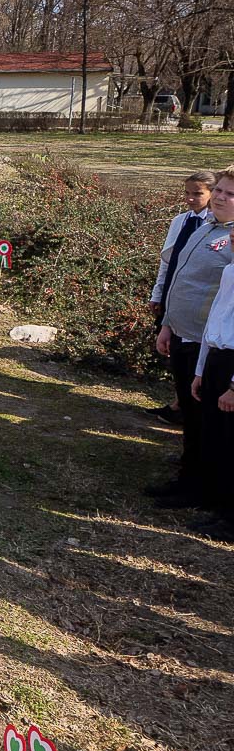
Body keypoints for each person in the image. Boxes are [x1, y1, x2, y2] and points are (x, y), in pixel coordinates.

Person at [153, 166, 234, 508]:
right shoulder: (205, 227)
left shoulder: (232, 238)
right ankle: (187, 478)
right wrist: (168, 323)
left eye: (230, 194)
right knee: (189, 412)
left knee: (206, 423)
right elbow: (181, 277)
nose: (220, 198)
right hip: (182, 335)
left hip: (209, 345)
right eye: (220, 191)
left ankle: (201, 488)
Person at [148, 171, 216, 424]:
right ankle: (180, 402)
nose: (190, 199)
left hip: (200, 302)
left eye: (197, 193)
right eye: (187, 193)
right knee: (172, 349)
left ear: (212, 194)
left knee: (194, 355)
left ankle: (185, 406)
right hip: (175, 291)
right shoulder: (180, 221)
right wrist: (158, 293)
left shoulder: (215, 226)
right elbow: (166, 261)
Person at [190, 260, 234, 540]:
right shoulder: (230, 270)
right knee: (216, 437)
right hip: (216, 359)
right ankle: (219, 506)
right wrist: (200, 370)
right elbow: (215, 315)